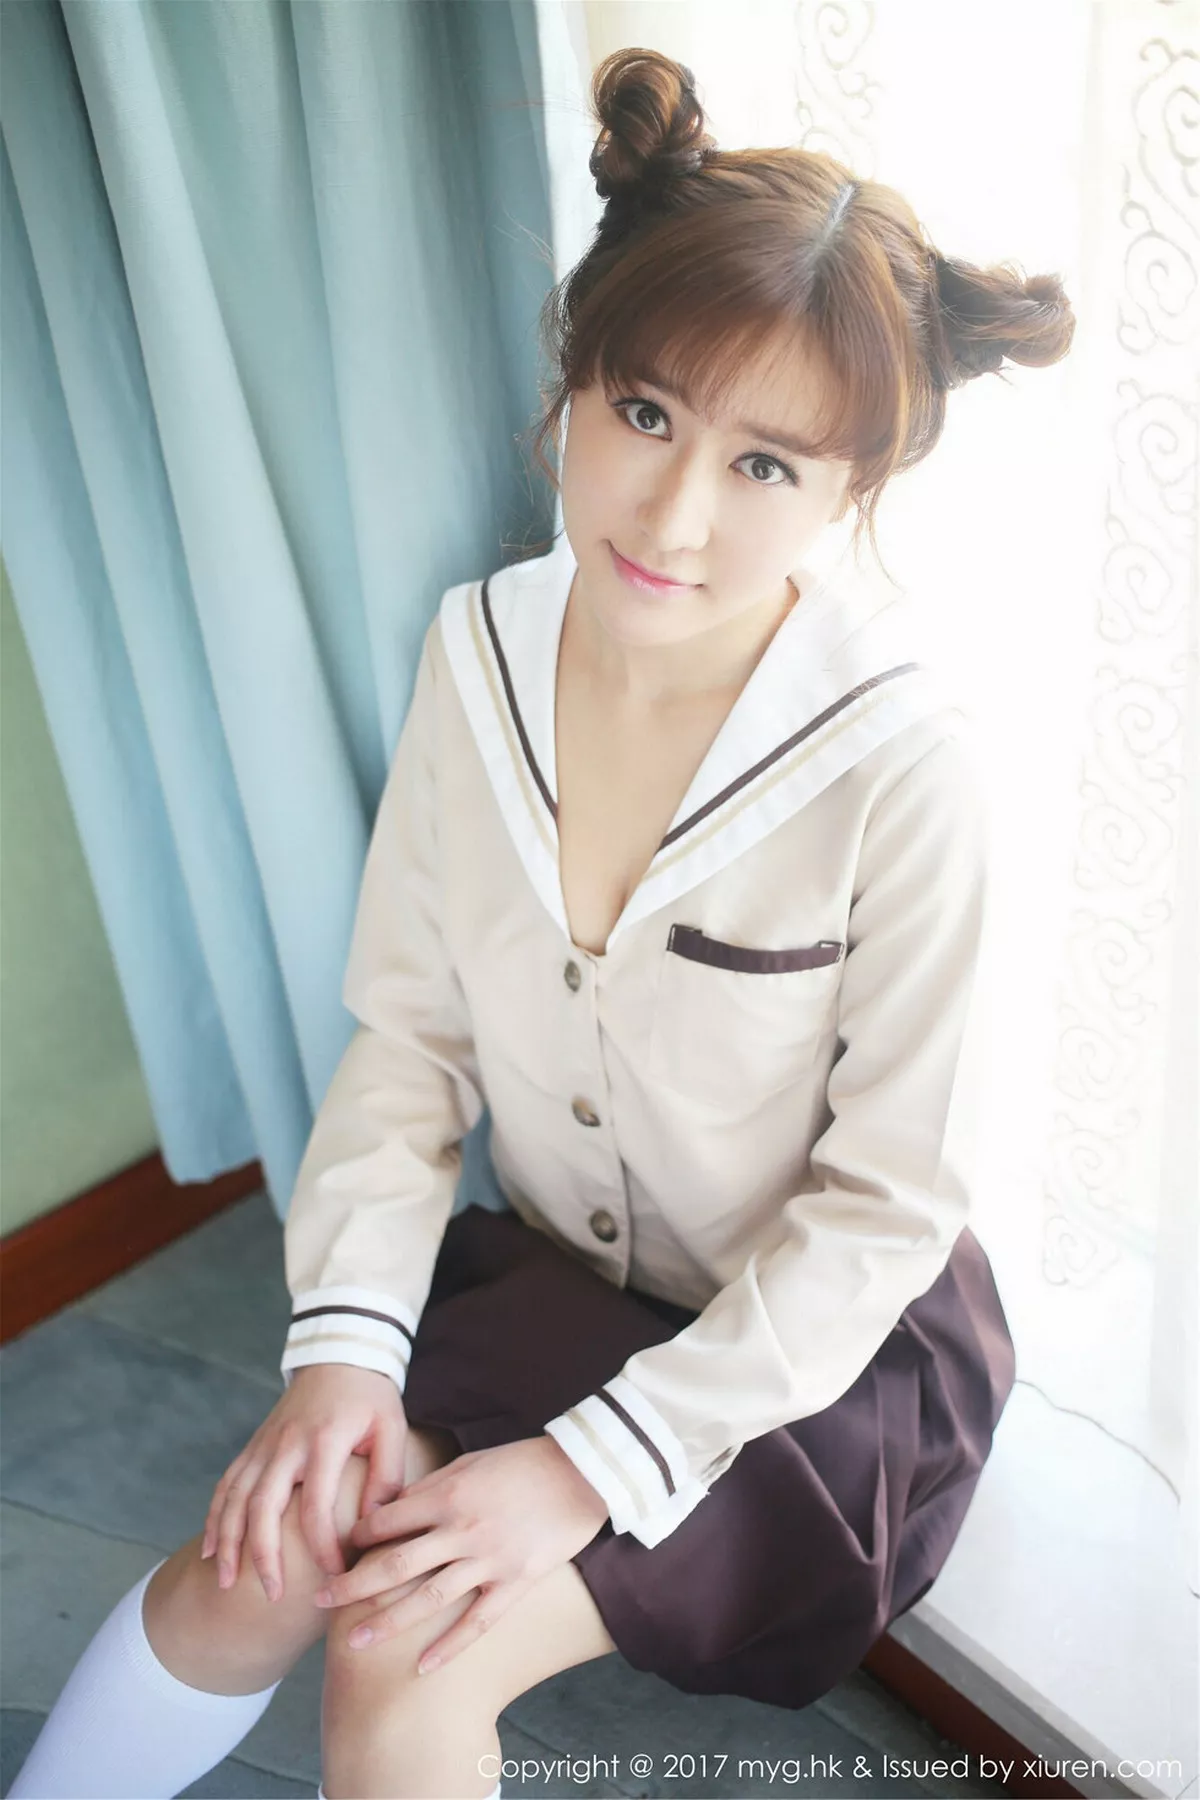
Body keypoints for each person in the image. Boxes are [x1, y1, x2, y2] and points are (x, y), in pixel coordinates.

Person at [10, 44, 1075, 1800]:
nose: (674, 515)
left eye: (767, 466)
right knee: (263, 1556)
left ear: (852, 493)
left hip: (819, 1370)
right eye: (645, 416)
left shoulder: (905, 769)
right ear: (574, 383)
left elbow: (886, 1211)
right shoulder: (478, 654)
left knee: (398, 1638)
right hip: (568, 1290)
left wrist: (589, 1466)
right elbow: (412, 1036)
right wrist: (343, 1353)